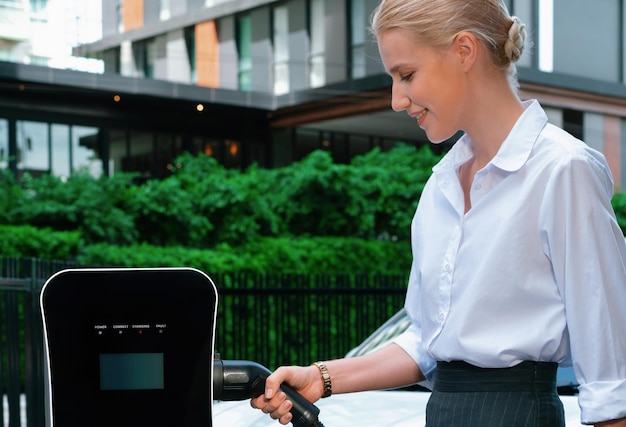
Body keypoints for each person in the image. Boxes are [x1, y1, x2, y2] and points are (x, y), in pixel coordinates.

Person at [250, 0, 626, 425]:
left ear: (464, 50)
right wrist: (321, 377)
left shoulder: (564, 170)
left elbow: (612, 379)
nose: (396, 100)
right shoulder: (440, 187)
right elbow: (427, 341)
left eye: (406, 75)